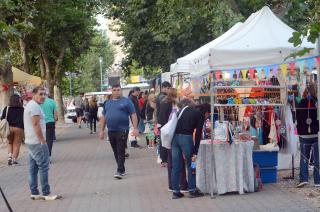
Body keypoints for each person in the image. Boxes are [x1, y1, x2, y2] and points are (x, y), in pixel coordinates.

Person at [24, 86, 61, 200]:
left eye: (44, 94)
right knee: (43, 167)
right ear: (34, 94)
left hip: (31, 141)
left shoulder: (32, 105)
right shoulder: (34, 106)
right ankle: (46, 193)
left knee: (33, 168)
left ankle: (34, 192)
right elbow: (36, 124)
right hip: (36, 142)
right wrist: (42, 140)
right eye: (40, 94)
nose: (43, 96)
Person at [99, 84, 139, 179]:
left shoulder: (126, 101)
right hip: (111, 130)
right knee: (115, 151)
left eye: (118, 90)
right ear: (111, 91)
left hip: (123, 129)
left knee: (121, 150)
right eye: (115, 90)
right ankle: (122, 169)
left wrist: (135, 128)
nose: (117, 92)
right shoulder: (107, 103)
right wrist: (101, 130)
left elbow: (133, 114)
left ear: (121, 90)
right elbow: (104, 117)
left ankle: (119, 170)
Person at [171, 98, 206, 199]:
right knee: (191, 164)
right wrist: (196, 150)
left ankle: (176, 191)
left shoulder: (182, 110)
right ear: (206, 112)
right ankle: (192, 189)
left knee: (176, 165)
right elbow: (198, 133)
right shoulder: (199, 114)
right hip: (186, 138)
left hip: (175, 138)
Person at [158, 88, 188, 192]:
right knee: (177, 159)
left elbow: (161, 120)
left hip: (169, 134)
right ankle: (181, 184)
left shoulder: (166, 103)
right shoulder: (170, 104)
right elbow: (163, 120)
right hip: (172, 134)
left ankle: (173, 184)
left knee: (172, 160)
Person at [296, 84, 320, 188]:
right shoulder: (317, 103)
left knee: (304, 158)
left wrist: (300, 132)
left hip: (304, 135)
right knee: (317, 159)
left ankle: (304, 179)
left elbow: (298, 119)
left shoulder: (301, 103)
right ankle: (317, 181)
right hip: (316, 134)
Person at [1, 94, 24, 165]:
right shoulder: (22, 109)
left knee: (10, 143)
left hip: (9, 128)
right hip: (19, 128)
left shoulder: (7, 108)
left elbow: (2, 118)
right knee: (16, 144)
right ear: (18, 100)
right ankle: (14, 160)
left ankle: (9, 157)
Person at [156, 81, 172, 165]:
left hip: (161, 122)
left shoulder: (160, 96)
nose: (170, 90)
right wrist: (164, 125)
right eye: (168, 88)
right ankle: (164, 159)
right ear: (164, 88)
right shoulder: (163, 98)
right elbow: (163, 113)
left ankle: (163, 159)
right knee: (164, 141)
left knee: (163, 141)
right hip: (164, 123)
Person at [40, 95, 58, 161]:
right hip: (50, 122)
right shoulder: (52, 101)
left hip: (40, 123)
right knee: (49, 140)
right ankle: (48, 156)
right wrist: (55, 121)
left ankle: (42, 156)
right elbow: (55, 115)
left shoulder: (38, 102)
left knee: (41, 139)